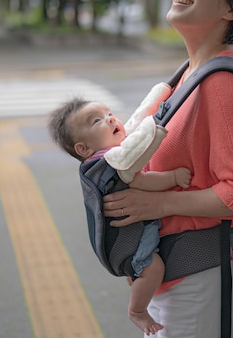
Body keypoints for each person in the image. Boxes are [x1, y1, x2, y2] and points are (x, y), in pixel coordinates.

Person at [102, 0, 233, 338]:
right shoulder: (190, 74)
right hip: (180, 276)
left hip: (203, 276)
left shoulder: (221, 82)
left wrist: (156, 203)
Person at [47, 96, 192, 335]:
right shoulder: (112, 163)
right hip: (129, 240)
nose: (110, 118)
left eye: (109, 113)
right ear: (84, 148)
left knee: (145, 269)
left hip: (125, 238)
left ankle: (136, 279)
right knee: (153, 269)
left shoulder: (99, 164)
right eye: (97, 121)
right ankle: (137, 310)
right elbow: (142, 181)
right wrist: (173, 178)